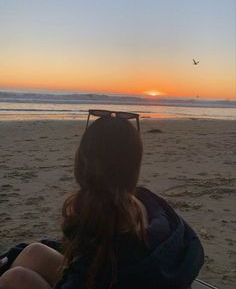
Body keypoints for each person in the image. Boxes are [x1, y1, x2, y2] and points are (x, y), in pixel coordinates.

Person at [0, 110, 204, 289]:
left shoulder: (103, 219)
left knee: (15, 278)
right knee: (34, 252)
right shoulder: (149, 205)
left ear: (83, 162)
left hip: (115, 281)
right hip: (141, 278)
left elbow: (86, 279)